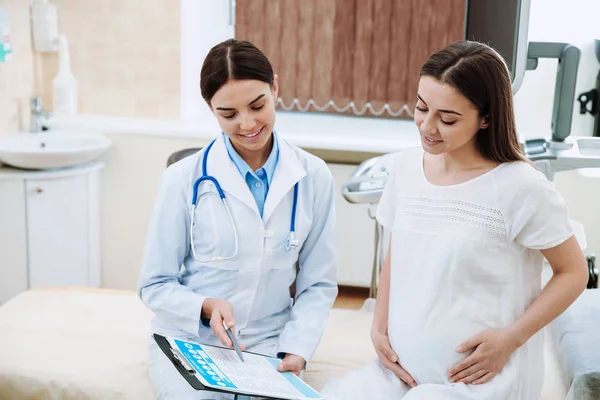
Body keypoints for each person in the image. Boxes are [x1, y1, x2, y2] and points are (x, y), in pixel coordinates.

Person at [322, 41, 588, 399]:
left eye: (447, 119)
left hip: (482, 380)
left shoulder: (521, 187)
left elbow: (573, 273)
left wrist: (511, 339)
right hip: (402, 371)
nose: (427, 126)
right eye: (421, 107)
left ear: (487, 118)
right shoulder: (403, 169)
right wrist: (379, 327)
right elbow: (397, 253)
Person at [137, 38, 338, 399]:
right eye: (228, 114)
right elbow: (154, 284)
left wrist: (298, 346)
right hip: (190, 341)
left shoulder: (313, 176)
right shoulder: (182, 179)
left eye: (257, 105)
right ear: (211, 109)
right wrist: (205, 306)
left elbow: (317, 284)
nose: (247, 124)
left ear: (274, 86)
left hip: (269, 341)